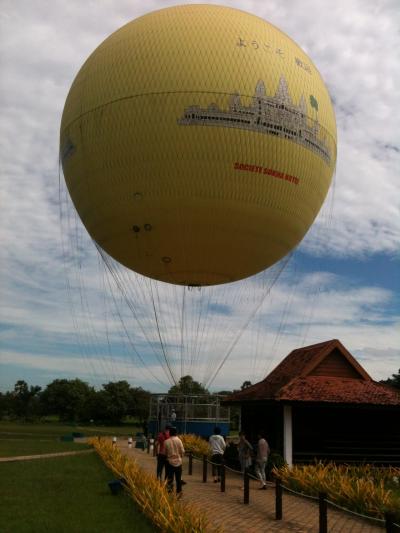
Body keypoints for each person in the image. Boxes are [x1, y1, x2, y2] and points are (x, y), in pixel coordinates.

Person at [164, 426, 185, 497]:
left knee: (170, 478)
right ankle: (179, 493)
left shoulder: (166, 442)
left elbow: (165, 453)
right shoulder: (179, 440)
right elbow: (182, 451)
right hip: (178, 462)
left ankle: (169, 492)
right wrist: (180, 456)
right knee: (178, 479)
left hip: (169, 462)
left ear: (169, 433)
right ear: (176, 433)